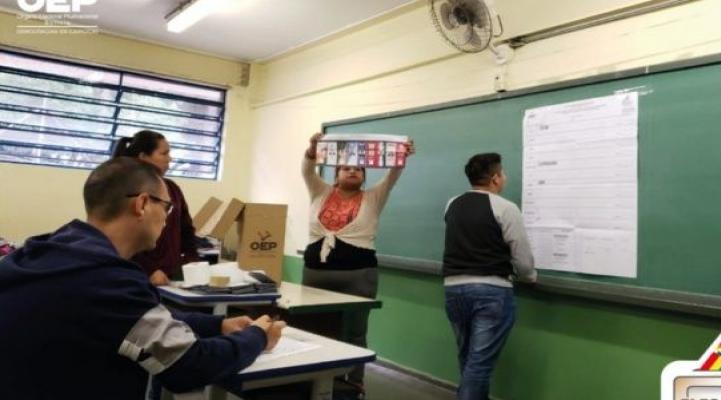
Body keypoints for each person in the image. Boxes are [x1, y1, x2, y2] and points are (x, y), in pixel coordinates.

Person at [0, 157, 286, 400]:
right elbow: (190, 365)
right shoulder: (106, 278)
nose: (166, 219)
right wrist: (258, 336)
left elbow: (136, 318)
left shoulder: (46, 253)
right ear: (142, 204)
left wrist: (218, 324)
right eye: (167, 207)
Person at [301, 133, 414, 395]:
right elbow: (307, 169)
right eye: (345, 168)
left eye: (358, 169)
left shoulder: (374, 196)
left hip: (358, 276)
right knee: (314, 328)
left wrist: (401, 154)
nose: (352, 171)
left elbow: (394, 173)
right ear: (335, 174)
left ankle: (352, 382)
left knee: (354, 331)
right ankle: (311, 376)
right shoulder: (319, 190)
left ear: (364, 175)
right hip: (316, 274)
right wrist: (312, 149)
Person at [442, 153, 537, 400]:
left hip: (453, 289)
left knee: (469, 360)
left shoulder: (452, 203)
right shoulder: (505, 207)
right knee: (480, 364)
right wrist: (529, 276)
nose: (504, 177)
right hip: (491, 291)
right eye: (503, 173)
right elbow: (522, 257)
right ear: (495, 178)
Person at [112, 130, 198, 286]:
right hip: (137, 278)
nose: (170, 158)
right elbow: (122, 238)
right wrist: (149, 270)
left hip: (172, 279)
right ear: (143, 157)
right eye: (164, 153)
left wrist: (192, 261)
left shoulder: (173, 188)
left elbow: (186, 230)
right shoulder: (125, 189)